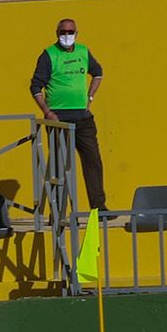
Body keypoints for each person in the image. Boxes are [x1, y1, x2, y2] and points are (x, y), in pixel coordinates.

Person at [30, 17, 107, 211]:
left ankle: (98, 207)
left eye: (70, 32)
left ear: (76, 33)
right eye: (63, 32)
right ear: (57, 34)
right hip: (59, 118)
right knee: (58, 166)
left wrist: (90, 98)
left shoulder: (83, 51)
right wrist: (47, 111)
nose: (67, 35)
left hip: (83, 117)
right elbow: (36, 86)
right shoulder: (49, 55)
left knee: (93, 161)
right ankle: (57, 212)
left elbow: (98, 73)